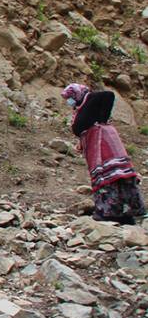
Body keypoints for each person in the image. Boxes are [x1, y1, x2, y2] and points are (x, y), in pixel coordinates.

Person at [61, 83, 146, 224]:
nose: (69, 101)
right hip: (96, 143)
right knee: (111, 176)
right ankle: (120, 213)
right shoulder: (82, 106)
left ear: (77, 94)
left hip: (104, 143)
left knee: (111, 175)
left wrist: (101, 120)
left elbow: (109, 95)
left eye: (70, 97)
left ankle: (112, 212)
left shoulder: (91, 98)